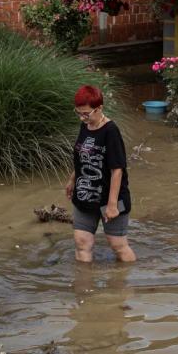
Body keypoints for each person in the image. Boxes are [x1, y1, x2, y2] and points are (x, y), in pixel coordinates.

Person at [65, 85, 136, 263]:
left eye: (86, 113)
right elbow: (83, 157)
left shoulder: (111, 131)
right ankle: (84, 287)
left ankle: (127, 283)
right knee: (82, 242)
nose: (82, 118)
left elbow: (117, 169)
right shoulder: (86, 125)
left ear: (99, 109)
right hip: (85, 194)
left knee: (117, 244)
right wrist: (72, 179)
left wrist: (112, 205)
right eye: (78, 113)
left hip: (110, 197)